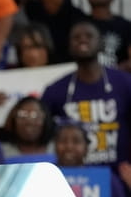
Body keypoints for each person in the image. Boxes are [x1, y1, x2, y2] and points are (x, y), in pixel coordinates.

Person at [40, 21, 131, 168]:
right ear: (69, 46)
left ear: (101, 44)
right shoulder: (55, 90)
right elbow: (41, 135)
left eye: (89, 36)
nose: (82, 39)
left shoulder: (125, 83)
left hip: (118, 176)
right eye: (76, 37)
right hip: (73, 177)